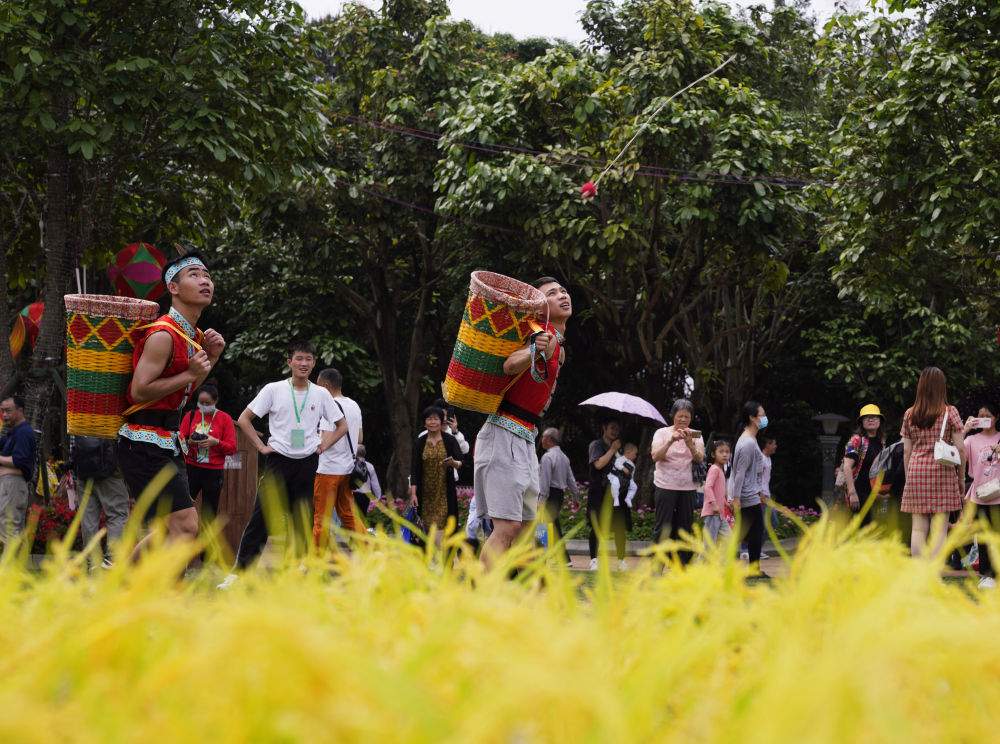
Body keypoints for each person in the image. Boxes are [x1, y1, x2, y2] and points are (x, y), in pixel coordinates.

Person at [116, 252, 225, 559]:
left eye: (207, 275)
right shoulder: (163, 334)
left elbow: (180, 395)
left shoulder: (193, 337)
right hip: (142, 443)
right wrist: (191, 372)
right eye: (194, 274)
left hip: (165, 443)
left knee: (173, 529)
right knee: (186, 527)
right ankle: (142, 591)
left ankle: (123, 585)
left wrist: (210, 360)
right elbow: (139, 391)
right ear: (173, 288)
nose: (205, 280)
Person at [223, 341, 346, 582]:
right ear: (289, 361)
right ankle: (239, 575)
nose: (303, 363)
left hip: (308, 462)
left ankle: (301, 570)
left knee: (303, 518)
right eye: (299, 358)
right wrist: (260, 447)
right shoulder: (273, 389)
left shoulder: (320, 394)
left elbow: (342, 426)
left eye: (308, 359)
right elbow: (244, 419)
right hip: (278, 462)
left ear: (314, 363)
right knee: (261, 518)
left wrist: (325, 444)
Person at [473, 277, 571, 570]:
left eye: (563, 291)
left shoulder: (559, 345)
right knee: (507, 528)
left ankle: (520, 602)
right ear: (540, 306)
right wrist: (533, 350)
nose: (562, 295)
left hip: (526, 436)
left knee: (528, 528)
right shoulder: (536, 332)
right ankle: (478, 599)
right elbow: (507, 364)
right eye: (552, 294)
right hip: (503, 431)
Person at [900, 367, 965, 558]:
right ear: (941, 387)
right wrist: (961, 477)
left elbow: (905, 450)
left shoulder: (910, 414)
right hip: (942, 471)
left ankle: (920, 575)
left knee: (918, 530)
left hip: (916, 471)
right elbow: (961, 448)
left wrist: (908, 479)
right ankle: (934, 573)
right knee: (939, 529)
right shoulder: (949, 412)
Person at [650, 398, 705, 566]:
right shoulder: (662, 433)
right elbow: (655, 457)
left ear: (691, 418)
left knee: (685, 527)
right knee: (663, 526)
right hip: (665, 485)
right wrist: (671, 441)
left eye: (686, 417)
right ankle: (658, 565)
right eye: (680, 416)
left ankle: (682, 567)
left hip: (687, 487)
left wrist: (690, 444)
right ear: (673, 415)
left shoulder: (696, 435)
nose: (683, 419)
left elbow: (700, 458)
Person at [313, 368, 364, 547]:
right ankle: (367, 552)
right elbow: (360, 439)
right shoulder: (354, 405)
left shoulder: (329, 405)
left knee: (321, 518)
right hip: (347, 468)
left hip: (329, 468)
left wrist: (315, 442)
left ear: (326, 386)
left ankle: (317, 560)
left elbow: (325, 439)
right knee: (348, 514)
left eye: (318, 387)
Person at [179, 384, 237, 522]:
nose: (203, 406)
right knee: (183, 508)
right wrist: (190, 442)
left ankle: (205, 542)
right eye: (201, 403)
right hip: (191, 467)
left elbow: (232, 448)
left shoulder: (224, 418)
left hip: (213, 471)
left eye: (207, 403)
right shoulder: (191, 415)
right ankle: (182, 541)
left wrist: (216, 442)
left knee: (209, 513)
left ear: (215, 401)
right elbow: (180, 439)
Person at [68, 435, 129, 568]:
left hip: (84, 473)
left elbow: (73, 448)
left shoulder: (77, 414)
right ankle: (112, 561)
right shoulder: (112, 414)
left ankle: (92, 563)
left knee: (88, 520)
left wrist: (75, 476)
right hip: (111, 472)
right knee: (117, 515)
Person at [410, 406, 463, 540]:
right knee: (426, 528)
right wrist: (413, 493)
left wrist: (453, 463)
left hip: (444, 492)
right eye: (429, 419)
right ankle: (430, 557)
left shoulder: (450, 440)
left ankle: (442, 557)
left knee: (442, 528)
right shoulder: (419, 443)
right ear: (424, 422)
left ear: (441, 422)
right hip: (425, 494)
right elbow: (414, 469)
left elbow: (461, 461)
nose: (432, 422)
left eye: (435, 419)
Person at [963, 402, 1000, 588]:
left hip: (999, 495)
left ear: (996, 418)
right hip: (979, 495)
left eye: (988, 415)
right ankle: (986, 575)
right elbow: (956, 455)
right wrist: (964, 429)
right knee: (984, 536)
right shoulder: (971, 440)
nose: (984, 418)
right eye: (980, 415)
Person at [728, 401, 768, 574]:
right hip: (746, 496)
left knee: (750, 533)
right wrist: (736, 498)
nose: (765, 418)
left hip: (751, 495)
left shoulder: (751, 440)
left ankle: (753, 569)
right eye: (762, 415)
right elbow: (739, 473)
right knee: (749, 534)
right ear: (752, 418)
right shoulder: (747, 443)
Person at [586, 417, 628, 571]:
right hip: (599, 491)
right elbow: (598, 464)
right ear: (604, 428)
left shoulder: (619, 449)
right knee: (597, 525)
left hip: (616, 493)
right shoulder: (596, 445)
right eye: (612, 428)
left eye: (617, 429)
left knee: (619, 526)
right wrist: (612, 450)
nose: (614, 431)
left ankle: (621, 560)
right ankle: (594, 560)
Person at [0, 395, 35, 546]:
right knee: (12, 530)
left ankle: (10, 569)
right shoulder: (14, 432)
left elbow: (19, 460)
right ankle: (19, 567)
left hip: (14, 486)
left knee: (10, 530)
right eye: (2, 411)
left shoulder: (24, 432)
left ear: (20, 410)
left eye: (8, 411)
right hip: (10, 486)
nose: (5, 415)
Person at [538, 427, 576, 565]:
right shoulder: (564, 457)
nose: (541, 440)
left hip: (549, 494)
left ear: (549, 439)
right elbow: (570, 479)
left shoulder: (547, 457)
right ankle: (563, 559)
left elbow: (545, 481)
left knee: (541, 525)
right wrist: (575, 496)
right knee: (553, 525)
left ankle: (541, 556)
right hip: (559, 495)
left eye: (543, 437)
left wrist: (541, 500)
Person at [842, 404, 886, 525]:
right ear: (861, 422)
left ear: (880, 421)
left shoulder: (881, 442)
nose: (871, 419)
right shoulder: (856, 440)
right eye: (867, 417)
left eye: (874, 417)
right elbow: (847, 467)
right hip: (858, 494)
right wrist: (852, 493)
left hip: (873, 496)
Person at [702, 439, 732, 544]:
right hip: (712, 512)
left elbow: (718, 491)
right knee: (709, 544)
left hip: (719, 513)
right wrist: (714, 504)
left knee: (729, 539)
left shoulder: (721, 470)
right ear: (713, 454)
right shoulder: (714, 469)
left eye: (727, 452)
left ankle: (721, 560)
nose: (724, 455)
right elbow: (707, 487)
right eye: (721, 452)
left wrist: (725, 503)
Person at [351, 444, 382, 528]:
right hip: (366, 496)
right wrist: (378, 497)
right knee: (363, 516)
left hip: (353, 494)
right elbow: (375, 484)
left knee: (354, 516)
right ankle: (362, 534)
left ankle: (354, 536)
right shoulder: (369, 466)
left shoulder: (351, 465)